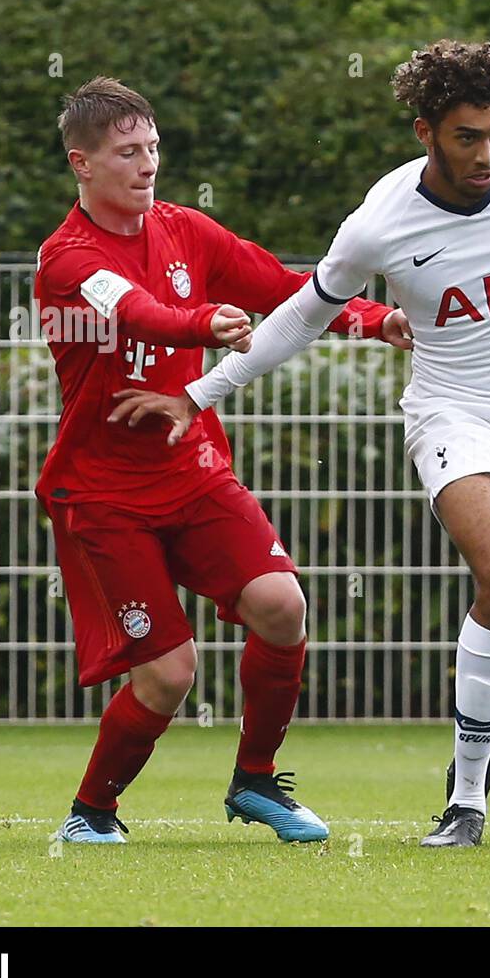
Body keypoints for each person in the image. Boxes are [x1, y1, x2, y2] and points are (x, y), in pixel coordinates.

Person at [111, 41, 490, 848]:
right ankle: (465, 801)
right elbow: (301, 313)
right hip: (453, 413)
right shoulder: (380, 224)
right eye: (468, 136)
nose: (489, 154)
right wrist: (200, 392)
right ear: (425, 131)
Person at [36, 76, 409, 845]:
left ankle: (257, 781)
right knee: (169, 677)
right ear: (82, 163)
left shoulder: (185, 229)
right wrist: (202, 322)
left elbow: (282, 287)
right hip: (106, 493)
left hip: (193, 468)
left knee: (283, 605)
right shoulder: (68, 258)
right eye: (127, 152)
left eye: (153, 149)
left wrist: (376, 318)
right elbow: (136, 311)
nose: (147, 165)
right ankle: (92, 812)